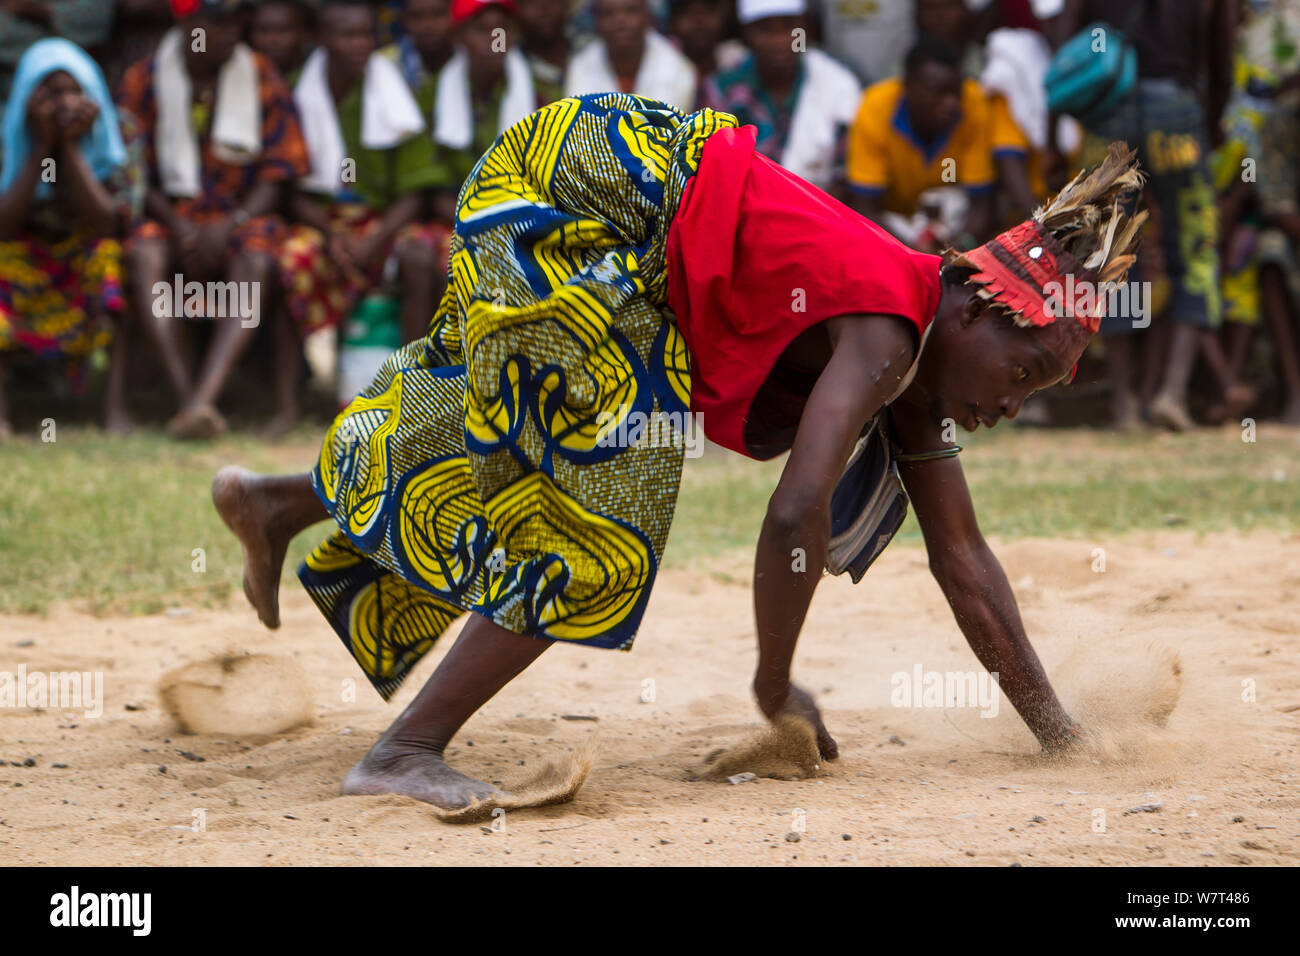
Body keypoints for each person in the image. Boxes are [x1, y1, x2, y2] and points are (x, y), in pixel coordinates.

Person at [212, 89, 1145, 811]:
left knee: (511, 435)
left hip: (574, 188)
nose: (1013, 404)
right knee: (600, 516)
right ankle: (402, 755)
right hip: (576, 192)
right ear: (978, 307)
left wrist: (1058, 734)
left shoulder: (911, 364)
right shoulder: (890, 334)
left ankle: (279, 504)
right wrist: (775, 684)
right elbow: (796, 510)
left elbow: (963, 559)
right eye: (1021, 371)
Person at [117, 0, 310, 438]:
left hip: (241, 217)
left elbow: (279, 172)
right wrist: (179, 225)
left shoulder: (260, 74)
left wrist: (232, 221)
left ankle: (202, 398)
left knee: (258, 255)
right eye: (214, 22)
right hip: (170, 218)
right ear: (187, 23)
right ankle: (191, 401)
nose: (227, 32)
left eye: (233, 22)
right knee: (144, 252)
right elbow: (131, 174)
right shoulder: (142, 79)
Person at [275, 0, 451, 433]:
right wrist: (330, 233)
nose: (358, 45)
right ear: (322, 39)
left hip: (385, 219)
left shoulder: (395, 94)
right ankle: (287, 405)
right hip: (322, 220)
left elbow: (416, 191)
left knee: (418, 254)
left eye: (365, 35)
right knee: (285, 261)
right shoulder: (297, 91)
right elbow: (287, 187)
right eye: (345, 35)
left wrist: (375, 237)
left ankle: (411, 398)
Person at [1058, 0, 1235, 431]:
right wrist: (1207, 121)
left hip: (1110, 115)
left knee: (1106, 255)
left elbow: (1065, 48)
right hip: (1178, 112)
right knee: (1194, 251)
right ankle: (1171, 394)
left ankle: (1124, 403)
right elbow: (1222, 60)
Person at [0, 38, 141, 438]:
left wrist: (71, 150)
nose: (62, 103)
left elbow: (107, 222)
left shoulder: (120, 130)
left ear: (90, 93)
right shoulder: (7, 130)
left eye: (71, 91)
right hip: (24, 251)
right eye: (49, 92)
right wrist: (42, 146)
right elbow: (4, 225)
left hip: (85, 249)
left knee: (110, 260)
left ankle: (115, 409)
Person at [845, 37, 996, 251]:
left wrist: (958, 249)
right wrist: (914, 253)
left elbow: (980, 203)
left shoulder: (974, 102)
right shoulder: (874, 108)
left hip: (952, 224)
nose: (952, 103)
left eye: (955, 91)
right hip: (892, 228)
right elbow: (864, 206)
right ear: (908, 86)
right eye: (939, 92)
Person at [701, 0, 860, 197]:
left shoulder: (837, 85)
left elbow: (844, 181)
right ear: (747, 34)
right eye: (765, 29)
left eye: (788, 26)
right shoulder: (722, 92)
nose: (778, 40)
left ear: (804, 29)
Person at [565, 0, 698, 110]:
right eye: (608, 13)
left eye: (630, 10)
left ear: (648, 17)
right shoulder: (580, 66)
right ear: (596, 21)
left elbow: (667, 130)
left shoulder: (678, 68)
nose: (620, 20)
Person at [246, 0, 317, 85]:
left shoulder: (318, 74)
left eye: (283, 30)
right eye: (263, 30)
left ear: (305, 34)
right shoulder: (243, 74)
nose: (271, 39)